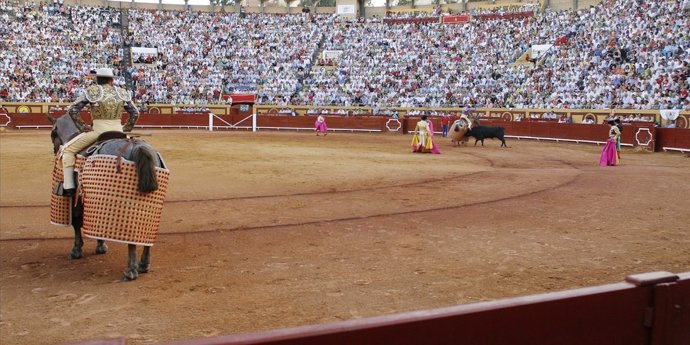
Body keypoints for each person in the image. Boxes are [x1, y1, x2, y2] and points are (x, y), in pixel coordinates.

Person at [60, 68, 140, 196]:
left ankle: (68, 187)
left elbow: (72, 109)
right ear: (111, 80)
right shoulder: (122, 92)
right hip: (119, 132)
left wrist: (83, 126)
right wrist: (126, 129)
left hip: (98, 131)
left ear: (97, 79)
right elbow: (135, 113)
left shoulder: (93, 91)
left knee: (67, 151)